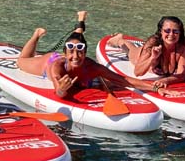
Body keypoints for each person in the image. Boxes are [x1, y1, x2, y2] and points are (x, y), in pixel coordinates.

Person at [16, 11, 165, 97]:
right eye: (71, 52)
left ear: (86, 53)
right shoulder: (57, 67)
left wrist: (156, 88)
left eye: (81, 52)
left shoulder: (91, 67)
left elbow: (124, 80)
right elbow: (59, 92)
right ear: (64, 53)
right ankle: (36, 35)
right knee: (21, 62)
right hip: (47, 62)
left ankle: (81, 21)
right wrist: (61, 89)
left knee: (77, 41)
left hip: (74, 49)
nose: (76, 56)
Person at [107, 16, 185, 90]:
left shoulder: (183, 45)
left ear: (180, 33)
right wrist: (152, 58)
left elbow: (182, 75)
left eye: (176, 31)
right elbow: (137, 72)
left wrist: (166, 80)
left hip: (161, 64)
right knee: (130, 51)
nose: (171, 34)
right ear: (161, 31)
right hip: (138, 56)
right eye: (167, 31)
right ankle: (119, 40)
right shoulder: (153, 42)